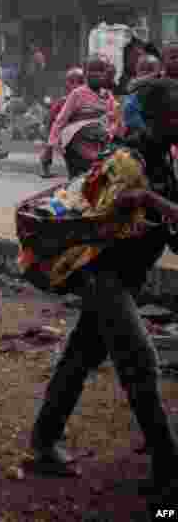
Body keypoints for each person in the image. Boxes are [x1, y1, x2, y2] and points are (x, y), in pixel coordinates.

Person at [28, 78, 178, 496]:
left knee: (81, 355)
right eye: (173, 116)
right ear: (149, 121)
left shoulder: (165, 158)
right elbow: (93, 213)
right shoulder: (123, 160)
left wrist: (160, 209)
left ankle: (43, 442)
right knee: (140, 360)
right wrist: (147, 202)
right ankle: (167, 465)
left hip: (125, 276)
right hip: (101, 273)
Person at [48, 58, 118, 179]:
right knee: (78, 180)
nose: (97, 75)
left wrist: (110, 133)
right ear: (86, 75)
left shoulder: (108, 96)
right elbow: (61, 120)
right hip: (76, 145)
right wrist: (51, 144)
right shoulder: (77, 94)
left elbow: (114, 119)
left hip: (99, 144)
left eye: (101, 71)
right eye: (93, 71)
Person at [40, 67, 85, 177]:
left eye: (80, 82)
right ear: (68, 84)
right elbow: (51, 120)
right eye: (74, 82)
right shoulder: (62, 102)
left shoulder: (89, 99)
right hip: (63, 133)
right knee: (49, 146)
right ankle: (46, 168)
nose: (77, 85)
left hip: (81, 134)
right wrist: (50, 137)